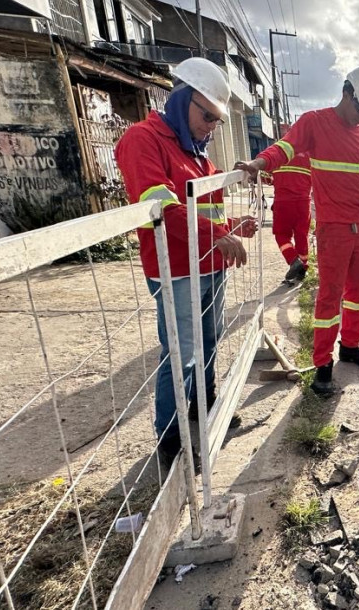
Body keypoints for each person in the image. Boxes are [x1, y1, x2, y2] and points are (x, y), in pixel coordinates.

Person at [114, 57, 258, 472]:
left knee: (208, 342)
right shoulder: (144, 141)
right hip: (176, 270)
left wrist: (233, 227)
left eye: (216, 121)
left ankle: (204, 404)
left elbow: (207, 216)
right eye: (205, 115)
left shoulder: (198, 155)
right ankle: (171, 437)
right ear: (181, 98)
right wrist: (218, 235)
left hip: (211, 265)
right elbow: (162, 209)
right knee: (181, 353)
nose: (210, 126)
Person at [237, 66, 359, 398]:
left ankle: (350, 346)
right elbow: (285, 148)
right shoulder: (314, 122)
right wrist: (259, 164)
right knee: (329, 297)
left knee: (358, 295)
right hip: (334, 230)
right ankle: (323, 365)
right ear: (347, 93)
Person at [268, 152, 313, 284]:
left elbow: (265, 177)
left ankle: (293, 260)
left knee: (281, 234)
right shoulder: (310, 156)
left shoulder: (278, 154)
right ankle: (302, 268)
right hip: (304, 203)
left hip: (283, 202)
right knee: (302, 235)